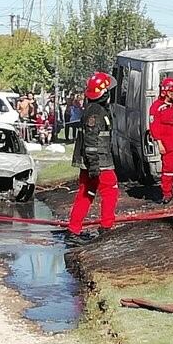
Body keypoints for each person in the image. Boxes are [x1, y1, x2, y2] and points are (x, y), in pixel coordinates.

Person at [68, 72, 119, 238]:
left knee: (86, 193)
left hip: (94, 161)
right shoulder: (96, 113)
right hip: (99, 161)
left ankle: (74, 229)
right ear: (103, 93)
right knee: (110, 191)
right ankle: (106, 226)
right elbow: (91, 141)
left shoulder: (94, 109)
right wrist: (95, 165)